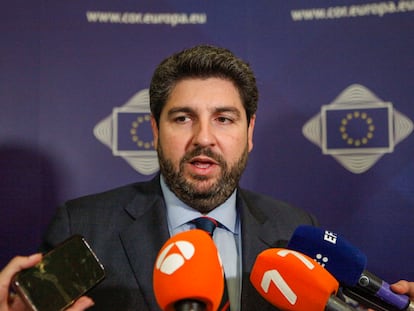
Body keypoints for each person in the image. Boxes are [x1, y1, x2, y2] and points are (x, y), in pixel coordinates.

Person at [0, 45, 413, 311]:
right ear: (155, 131)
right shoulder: (84, 225)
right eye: (183, 118)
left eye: (224, 119)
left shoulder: (294, 228)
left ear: (249, 133)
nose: (203, 138)